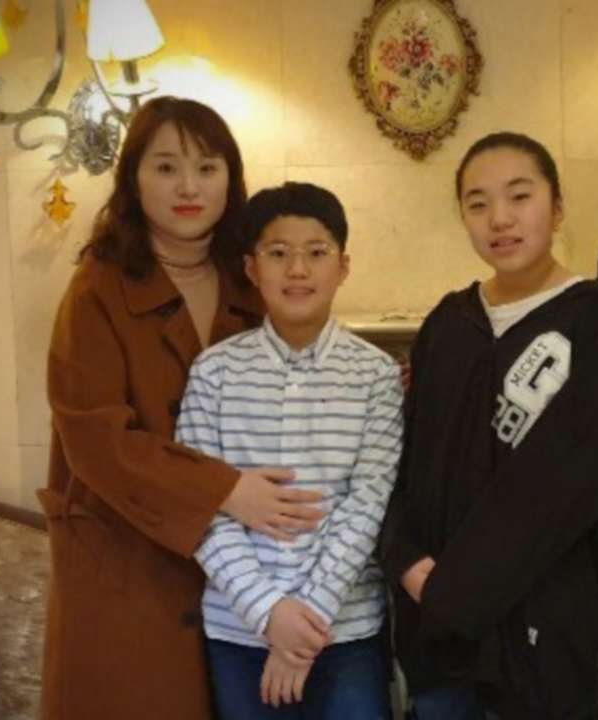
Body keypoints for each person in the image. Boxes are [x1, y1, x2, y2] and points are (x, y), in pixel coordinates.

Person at [40, 97, 326, 720]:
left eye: (207, 166)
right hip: (126, 563)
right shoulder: (96, 289)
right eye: (166, 167)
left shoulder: (254, 278)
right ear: (133, 179)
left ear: (231, 178)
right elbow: (96, 441)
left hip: (243, 571)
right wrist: (224, 490)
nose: (189, 187)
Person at [379, 132, 598, 720]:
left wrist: (454, 591)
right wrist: (405, 560)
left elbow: (577, 480)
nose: (500, 219)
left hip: (542, 630)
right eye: (478, 203)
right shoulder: (449, 322)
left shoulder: (594, 317)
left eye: (520, 196)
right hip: (438, 632)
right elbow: (407, 460)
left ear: (557, 208)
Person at [175, 181, 403, 719]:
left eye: (316, 253)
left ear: (342, 266)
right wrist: (269, 612)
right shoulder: (214, 372)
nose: (297, 270)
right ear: (252, 268)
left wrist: (305, 621)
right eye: (278, 253)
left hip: (345, 630)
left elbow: (368, 505)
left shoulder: (376, 374)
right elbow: (198, 500)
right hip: (240, 630)